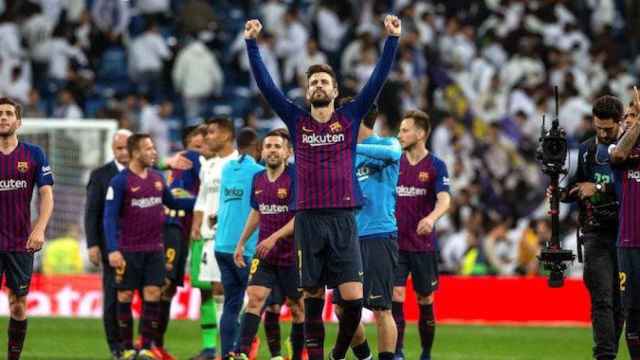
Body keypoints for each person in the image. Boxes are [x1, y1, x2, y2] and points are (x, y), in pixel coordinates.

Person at [244, 15, 400, 360]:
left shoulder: (349, 118)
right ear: (308, 90)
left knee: (355, 301)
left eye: (323, 82)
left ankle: (340, 351)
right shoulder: (297, 121)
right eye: (313, 81)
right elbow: (267, 85)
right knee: (312, 300)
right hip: (308, 221)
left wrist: (391, 39)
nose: (317, 86)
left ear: (334, 91)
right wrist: (252, 44)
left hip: (344, 219)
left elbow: (377, 79)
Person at [103, 134, 195, 360]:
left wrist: (204, 200)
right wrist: (113, 249)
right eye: (148, 148)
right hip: (128, 250)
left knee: (153, 293)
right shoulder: (120, 181)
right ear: (135, 153)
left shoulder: (157, 178)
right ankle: (125, 349)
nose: (154, 152)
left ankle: (144, 346)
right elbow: (109, 218)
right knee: (124, 295)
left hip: (155, 250)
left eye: (153, 148)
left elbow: (174, 202)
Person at [556, 95, 623, 360]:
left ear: (620, 123)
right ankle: (604, 355)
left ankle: (610, 351)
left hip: (626, 233)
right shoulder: (586, 150)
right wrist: (561, 193)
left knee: (620, 304)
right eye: (599, 128)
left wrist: (598, 188)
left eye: (609, 129)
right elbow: (576, 187)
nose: (604, 134)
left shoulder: (630, 149)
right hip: (595, 232)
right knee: (602, 298)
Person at [333, 104, 401, 360]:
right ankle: (365, 357)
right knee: (341, 309)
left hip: (378, 235)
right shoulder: (343, 156)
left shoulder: (387, 144)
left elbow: (396, 153)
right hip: (347, 238)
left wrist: (350, 147)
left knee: (381, 308)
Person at [232, 130, 305, 360]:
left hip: (293, 255)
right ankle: (242, 352)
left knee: (297, 308)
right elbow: (257, 211)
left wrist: (274, 238)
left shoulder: (295, 178)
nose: (272, 150)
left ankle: (296, 353)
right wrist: (242, 242)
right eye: (268, 146)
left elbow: (299, 218)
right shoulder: (258, 179)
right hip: (265, 254)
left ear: (288, 152)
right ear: (262, 151)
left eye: (277, 146)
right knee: (254, 299)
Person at [392, 110, 451, 360]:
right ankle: (397, 352)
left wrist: (431, 218)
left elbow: (445, 200)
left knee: (424, 298)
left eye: (405, 130)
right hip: (394, 244)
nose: (400, 134)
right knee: (395, 295)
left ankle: (426, 353)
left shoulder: (436, 165)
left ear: (421, 133)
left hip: (423, 245)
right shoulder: (394, 162)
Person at [0, 97, 54, 360]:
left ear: (18, 122)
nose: (3, 117)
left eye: (9, 113)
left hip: (21, 242)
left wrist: (40, 228)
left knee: (18, 305)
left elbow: (46, 194)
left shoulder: (34, 154)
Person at [154, 125, 205, 360]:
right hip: (173, 226)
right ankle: (149, 342)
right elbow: (176, 196)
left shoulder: (186, 160)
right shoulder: (191, 158)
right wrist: (203, 203)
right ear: (188, 141)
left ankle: (155, 344)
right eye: (199, 135)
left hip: (182, 231)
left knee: (169, 288)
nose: (204, 139)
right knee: (163, 284)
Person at [190, 117, 239, 360]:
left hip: (231, 239)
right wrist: (197, 223)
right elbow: (201, 196)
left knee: (233, 294)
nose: (206, 137)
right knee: (217, 292)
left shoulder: (239, 163)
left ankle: (236, 346)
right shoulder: (209, 165)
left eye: (211, 132)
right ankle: (225, 350)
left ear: (227, 135)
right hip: (209, 239)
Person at [213, 128, 264, 360]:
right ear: (257, 148)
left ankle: (227, 354)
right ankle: (243, 350)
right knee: (258, 300)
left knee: (231, 304)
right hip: (244, 248)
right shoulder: (259, 172)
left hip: (221, 245)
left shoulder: (226, 168)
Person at [85, 128, 132, 359]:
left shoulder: (147, 173)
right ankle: (116, 347)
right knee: (113, 298)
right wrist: (93, 244)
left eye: (126, 147)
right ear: (113, 149)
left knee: (146, 295)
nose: (123, 152)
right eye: (118, 148)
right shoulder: (100, 175)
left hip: (142, 246)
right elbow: (92, 212)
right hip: (111, 247)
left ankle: (141, 345)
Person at [609, 87, 640, 359]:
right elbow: (619, 157)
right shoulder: (618, 149)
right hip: (629, 242)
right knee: (632, 310)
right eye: (628, 115)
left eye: (634, 114)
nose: (629, 118)